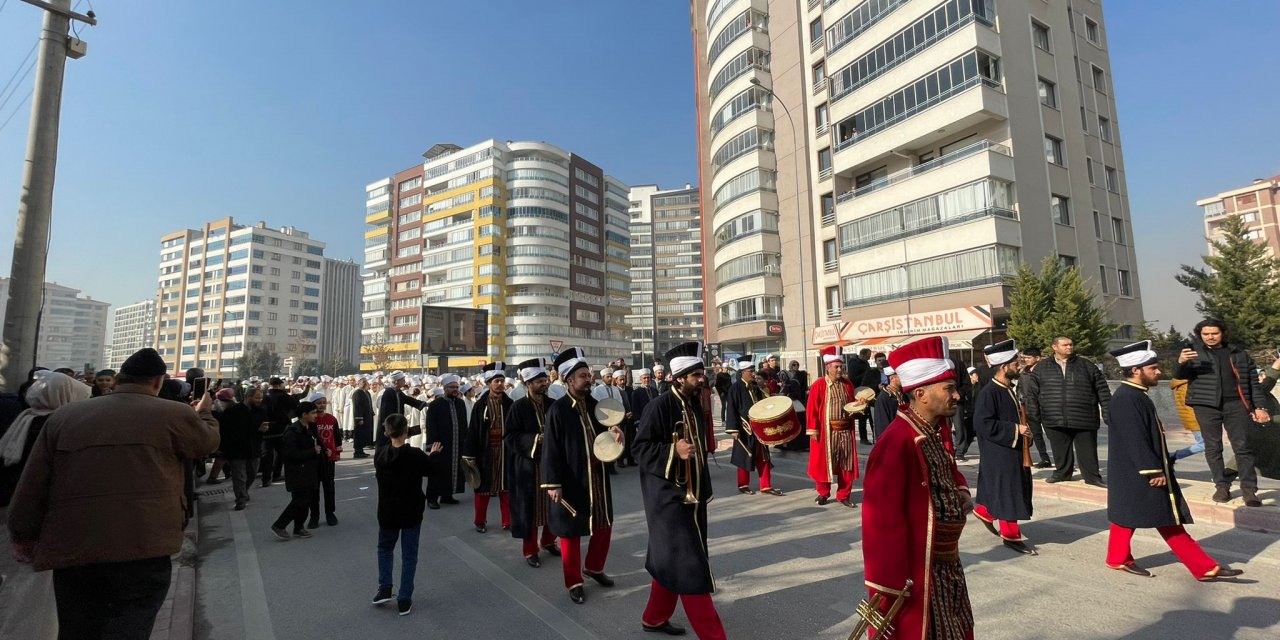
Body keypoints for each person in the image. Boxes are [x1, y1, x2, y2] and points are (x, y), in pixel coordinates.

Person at [7, 348, 220, 639]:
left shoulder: (64, 416)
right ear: (158, 382)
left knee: (78, 625)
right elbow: (206, 443)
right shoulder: (173, 414)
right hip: (145, 542)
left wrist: (23, 534)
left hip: (76, 545)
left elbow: (33, 483)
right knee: (131, 622)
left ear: (118, 379)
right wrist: (205, 411)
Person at [862, 336, 974, 640]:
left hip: (946, 570)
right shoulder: (895, 444)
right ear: (922, 394)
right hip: (919, 577)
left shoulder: (931, 431)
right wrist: (890, 591)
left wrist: (961, 490)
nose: (957, 396)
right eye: (948, 389)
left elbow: (948, 469)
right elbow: (880, 527)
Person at [1105, 341, 1244, 581]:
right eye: (1153, 368)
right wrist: (1153, 471)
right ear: (1136, 370)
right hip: (1141, 470)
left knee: (1127, 513)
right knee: (1166, 518)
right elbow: (1135, 440)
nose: (1158, 372)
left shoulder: (1133, 395)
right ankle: (1204, 567)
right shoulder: (1128, 398)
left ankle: (1117, 558)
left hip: (1132, 471)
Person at [633, 342, 727, 639]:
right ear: (679, 377)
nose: (702, 379)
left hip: (692, 497)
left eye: (702, 373)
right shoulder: (658, 406)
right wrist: (673, 450)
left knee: (669, 558)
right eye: (696, 375)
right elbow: (640, 449)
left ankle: (654, 617)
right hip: (668, 499)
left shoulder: (693, 403)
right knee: (690, 568)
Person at [541, 347, 622, 605]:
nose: (589, 379)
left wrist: (616, 430)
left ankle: (594, 567)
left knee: (604, 523)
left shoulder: (596, 406)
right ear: (569, 379)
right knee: (571, 532)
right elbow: (551, 450)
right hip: (571, 479)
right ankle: (574, 581)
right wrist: (553, 483)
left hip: (597, 477)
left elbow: (609, 433)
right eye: (583, 376)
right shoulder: (558, 410)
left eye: (589, 375)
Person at [1174, 319, 1271, 506]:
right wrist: (1181, 362)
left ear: (1223, 333)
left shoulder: (1239, 354)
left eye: (1214, 333)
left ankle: (1249, 490)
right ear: (1200, 334)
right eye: (1206, 334)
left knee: (1243, 447)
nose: (1210, 337)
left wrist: (1259, 407)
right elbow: (1179, 376)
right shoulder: (1194, 352)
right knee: (1213, 447)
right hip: (1205, 406)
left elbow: (1253, 383)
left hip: (1236, 405)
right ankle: (1221, 486)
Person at [373, 413, 443, 616]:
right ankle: (404, 597)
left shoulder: (380, 454)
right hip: (411, 510)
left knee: (385, 549)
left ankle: (384, 588)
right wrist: (435, 454)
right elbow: (431, 470)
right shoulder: (414, 455)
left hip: (387, 511)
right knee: (409, 555)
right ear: (406, 431)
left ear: (386, 432)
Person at [971, 340, 1037, 556]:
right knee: (1009, 491)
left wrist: (1025, 432)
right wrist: (1015, 429)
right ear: (1003, 366)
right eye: (1015, 363)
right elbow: (982, 424)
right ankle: (1011, 535)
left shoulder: (1009, 389)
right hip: (999, 450)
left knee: (1006, 488)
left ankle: (984, 511)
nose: (1019, 366)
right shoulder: (989, 392)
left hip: (1012, 448)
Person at [1021, 336, 1111, 487]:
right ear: (1054, 347)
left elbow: (1102, 390)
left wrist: (1108, 412)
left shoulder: (1087, 366)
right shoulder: (1042, 368)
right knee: (1060, 449)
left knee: (1087, 450)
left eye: (1071, 344)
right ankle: (1062, 473)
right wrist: (1034, 416)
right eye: (1065, 345)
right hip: (1053, 417)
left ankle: (1092, 476)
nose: (1069, 347)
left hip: (1084, 417)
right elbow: (1032, 394)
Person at [504, 358, 560, 567]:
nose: (544, 384)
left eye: (545, 380)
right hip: (528, 467)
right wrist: (536, 439)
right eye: (539, 381)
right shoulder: (518, 407)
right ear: (528, 384)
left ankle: (548, 541)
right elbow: (510, 437)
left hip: (551, 464)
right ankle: (530, 550)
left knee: (552, 505)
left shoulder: (553, 405)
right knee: (530, 508)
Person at [806, 346, 859, 507]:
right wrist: (813, 429)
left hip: (845, 431)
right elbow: (812, 409)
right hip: (826, 432)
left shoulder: (848, 384)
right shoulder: (819, 385)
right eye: (836, 367)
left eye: (841, 366)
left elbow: (851, 404)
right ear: (828, 367)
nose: (839, 369)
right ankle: (823, 493)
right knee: (824, 463)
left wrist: (858, 405)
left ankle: (844, 495)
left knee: (846, 463)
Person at [464, 362, 512, 533]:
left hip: (506, 452)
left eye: (501, 380)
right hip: (485, 452)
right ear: (488, 383)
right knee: (482, 489)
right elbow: (473, 431)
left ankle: (508, 521)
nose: (500, 384)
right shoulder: (480, 405)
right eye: (496, 381)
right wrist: (470, 455)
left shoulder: (510, 403)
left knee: (506, 488)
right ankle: (480, 521)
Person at [724, 356, 780, 496]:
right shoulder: (735, 388)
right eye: (751, 371)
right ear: (742, 372)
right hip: (744, 428)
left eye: (754, 370)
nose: (754, 373)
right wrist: (733, 429)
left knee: (764, 456)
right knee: (744, 457)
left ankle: (766, 485)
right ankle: (743, 484)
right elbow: (731, 409)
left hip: (758, 428)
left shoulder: (756, 387)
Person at [270, 401, 322, 540]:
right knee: (299, 501)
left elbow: (317, 443)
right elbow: (289, 454)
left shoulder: (310, 428)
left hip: (309, 471)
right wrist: (312, 451)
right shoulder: (292, 432)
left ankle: (299, 527)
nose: (315, 415)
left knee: (305, 502)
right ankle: (280, 525)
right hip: (298, 472)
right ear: (304, 414)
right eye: (312, 413)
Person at [213, 386, 267, 511]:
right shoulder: (233, 411)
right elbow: (226, 430)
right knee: (239, 476)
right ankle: (241, 499)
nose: (259, 400)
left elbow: (262, 428)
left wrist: (263, 431)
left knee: (252, 474)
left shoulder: (261, 411)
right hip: (236, 449)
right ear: (248, 397)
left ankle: (244, 491)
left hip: (254, 448)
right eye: (257, 397)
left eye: (261, 398)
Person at [425, 374, 467, 509]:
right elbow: (431, 425)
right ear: (445, 388)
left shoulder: (460, 403)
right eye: (452, 387)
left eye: (456, 387)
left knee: (453, 469)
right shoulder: (436, 405)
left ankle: (447, 495)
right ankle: (432, 498)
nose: (455, 389)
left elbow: (464, 424)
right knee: (437, 471)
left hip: (456, 443)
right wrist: (432, 445)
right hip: (440, 445)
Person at [262, 376, 307, 486]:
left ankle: (266, 479)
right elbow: (295, 406)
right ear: (279, 385)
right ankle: (277, 474)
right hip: (281, 428)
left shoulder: (263, 395)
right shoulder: (283, 396)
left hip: (266, 428)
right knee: (282, 453)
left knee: (267, 455)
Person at [309, 394, 342, 527]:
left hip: (329, 458)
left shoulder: (332, 419)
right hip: (314, 459)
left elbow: (337, 436)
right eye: (318, 403)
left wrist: (337, 452)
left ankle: (330, 513)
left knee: (329, 487)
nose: (322, 405)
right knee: (314, 488)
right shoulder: (311, 420)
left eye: (324, 402)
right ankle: (314, 516)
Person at [1017, 347, 1053, 468]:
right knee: (1037, 435)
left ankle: (1061, 460)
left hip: (1046, 407)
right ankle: (1045, 458)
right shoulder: (1024, 373)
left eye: (1029, 357)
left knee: (1052, 435)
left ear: (1037, 358)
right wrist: (1020, 397)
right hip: (1030, 408)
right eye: (1025, 357)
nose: (1026, 359)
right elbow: (1020, 389)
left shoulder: (1045, 371)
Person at [378, 371, 428, 447]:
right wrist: (386, 426)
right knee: (388, 445)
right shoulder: (388, 392)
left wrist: (425, 404)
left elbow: (409, 400)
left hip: (397, 422)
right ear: (396, 382)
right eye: (402, 380)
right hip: (390, 424)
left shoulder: (398, 392)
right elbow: (385, 411)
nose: (404, 382)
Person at [1169, 378, 1203, 462]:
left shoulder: (1182, 384)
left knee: (1207, 445)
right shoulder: (1188, 384)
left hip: (1193, 417)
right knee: (1205, 445)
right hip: (1195, 418)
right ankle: (1171, 456)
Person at [871, 366, 901, 440]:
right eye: (901, 376)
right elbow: (882, 427)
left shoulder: (902, 395)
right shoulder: (884, 398)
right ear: (892, 379)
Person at [351, 377, 375, 458]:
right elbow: (357, 407)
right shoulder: (357, 393)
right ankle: (357, 452)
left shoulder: (367, 393)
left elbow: (369, 404)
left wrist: (371, 412)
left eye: (365, 382)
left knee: (364, 434)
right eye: (362, 382)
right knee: (359, 434)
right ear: (358, 383)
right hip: (360, 418)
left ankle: (361, 450)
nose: (364, 383)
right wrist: (359, 418)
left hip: (367, 417)